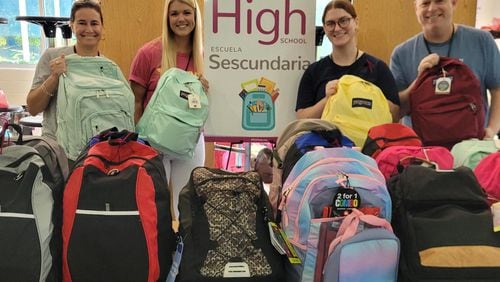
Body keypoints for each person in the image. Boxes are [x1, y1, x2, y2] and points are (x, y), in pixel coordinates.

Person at [129, 0, 208, 219]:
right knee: (154, 202)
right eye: (174, 14)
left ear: (195, 15)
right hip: (154, 143)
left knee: (186, 203)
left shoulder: (208, 55)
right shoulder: (148, 53)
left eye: (186, 12)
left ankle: (182, 251)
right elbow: (135, 101)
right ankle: (158, 250)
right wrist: (137, 142)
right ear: (167, 17)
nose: (180, 19)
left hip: (191, 140)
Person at [390, 0, 500, 139]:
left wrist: (491, 130)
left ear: (453, 3)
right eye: (425, 3)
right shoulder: (401, 53)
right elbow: (397, 112)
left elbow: (497, 89)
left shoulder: (482, 40)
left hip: (472, 146)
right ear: (416, 8)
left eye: (439, 1)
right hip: (421, 150)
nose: (432, 8)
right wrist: (420, 79)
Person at [296, 0, 400, 122]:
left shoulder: (378, 68)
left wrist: (361, 95)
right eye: (330, 23)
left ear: (355, 22)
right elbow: (302, 119)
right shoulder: (314, 71)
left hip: (368, 140)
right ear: (324, 28)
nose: (337, 28)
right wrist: (328, 99)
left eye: (343, 21)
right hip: (325, 140)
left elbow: (395, 114)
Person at [26, 0, 105, 141]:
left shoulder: (108, 68)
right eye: (81, 23)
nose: (88, 29)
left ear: (102, 28)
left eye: (94, 23)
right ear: (72, 26)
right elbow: (32, 108)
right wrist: (54, 78)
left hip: (94, 148)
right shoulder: (52, 57)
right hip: (57, 146)